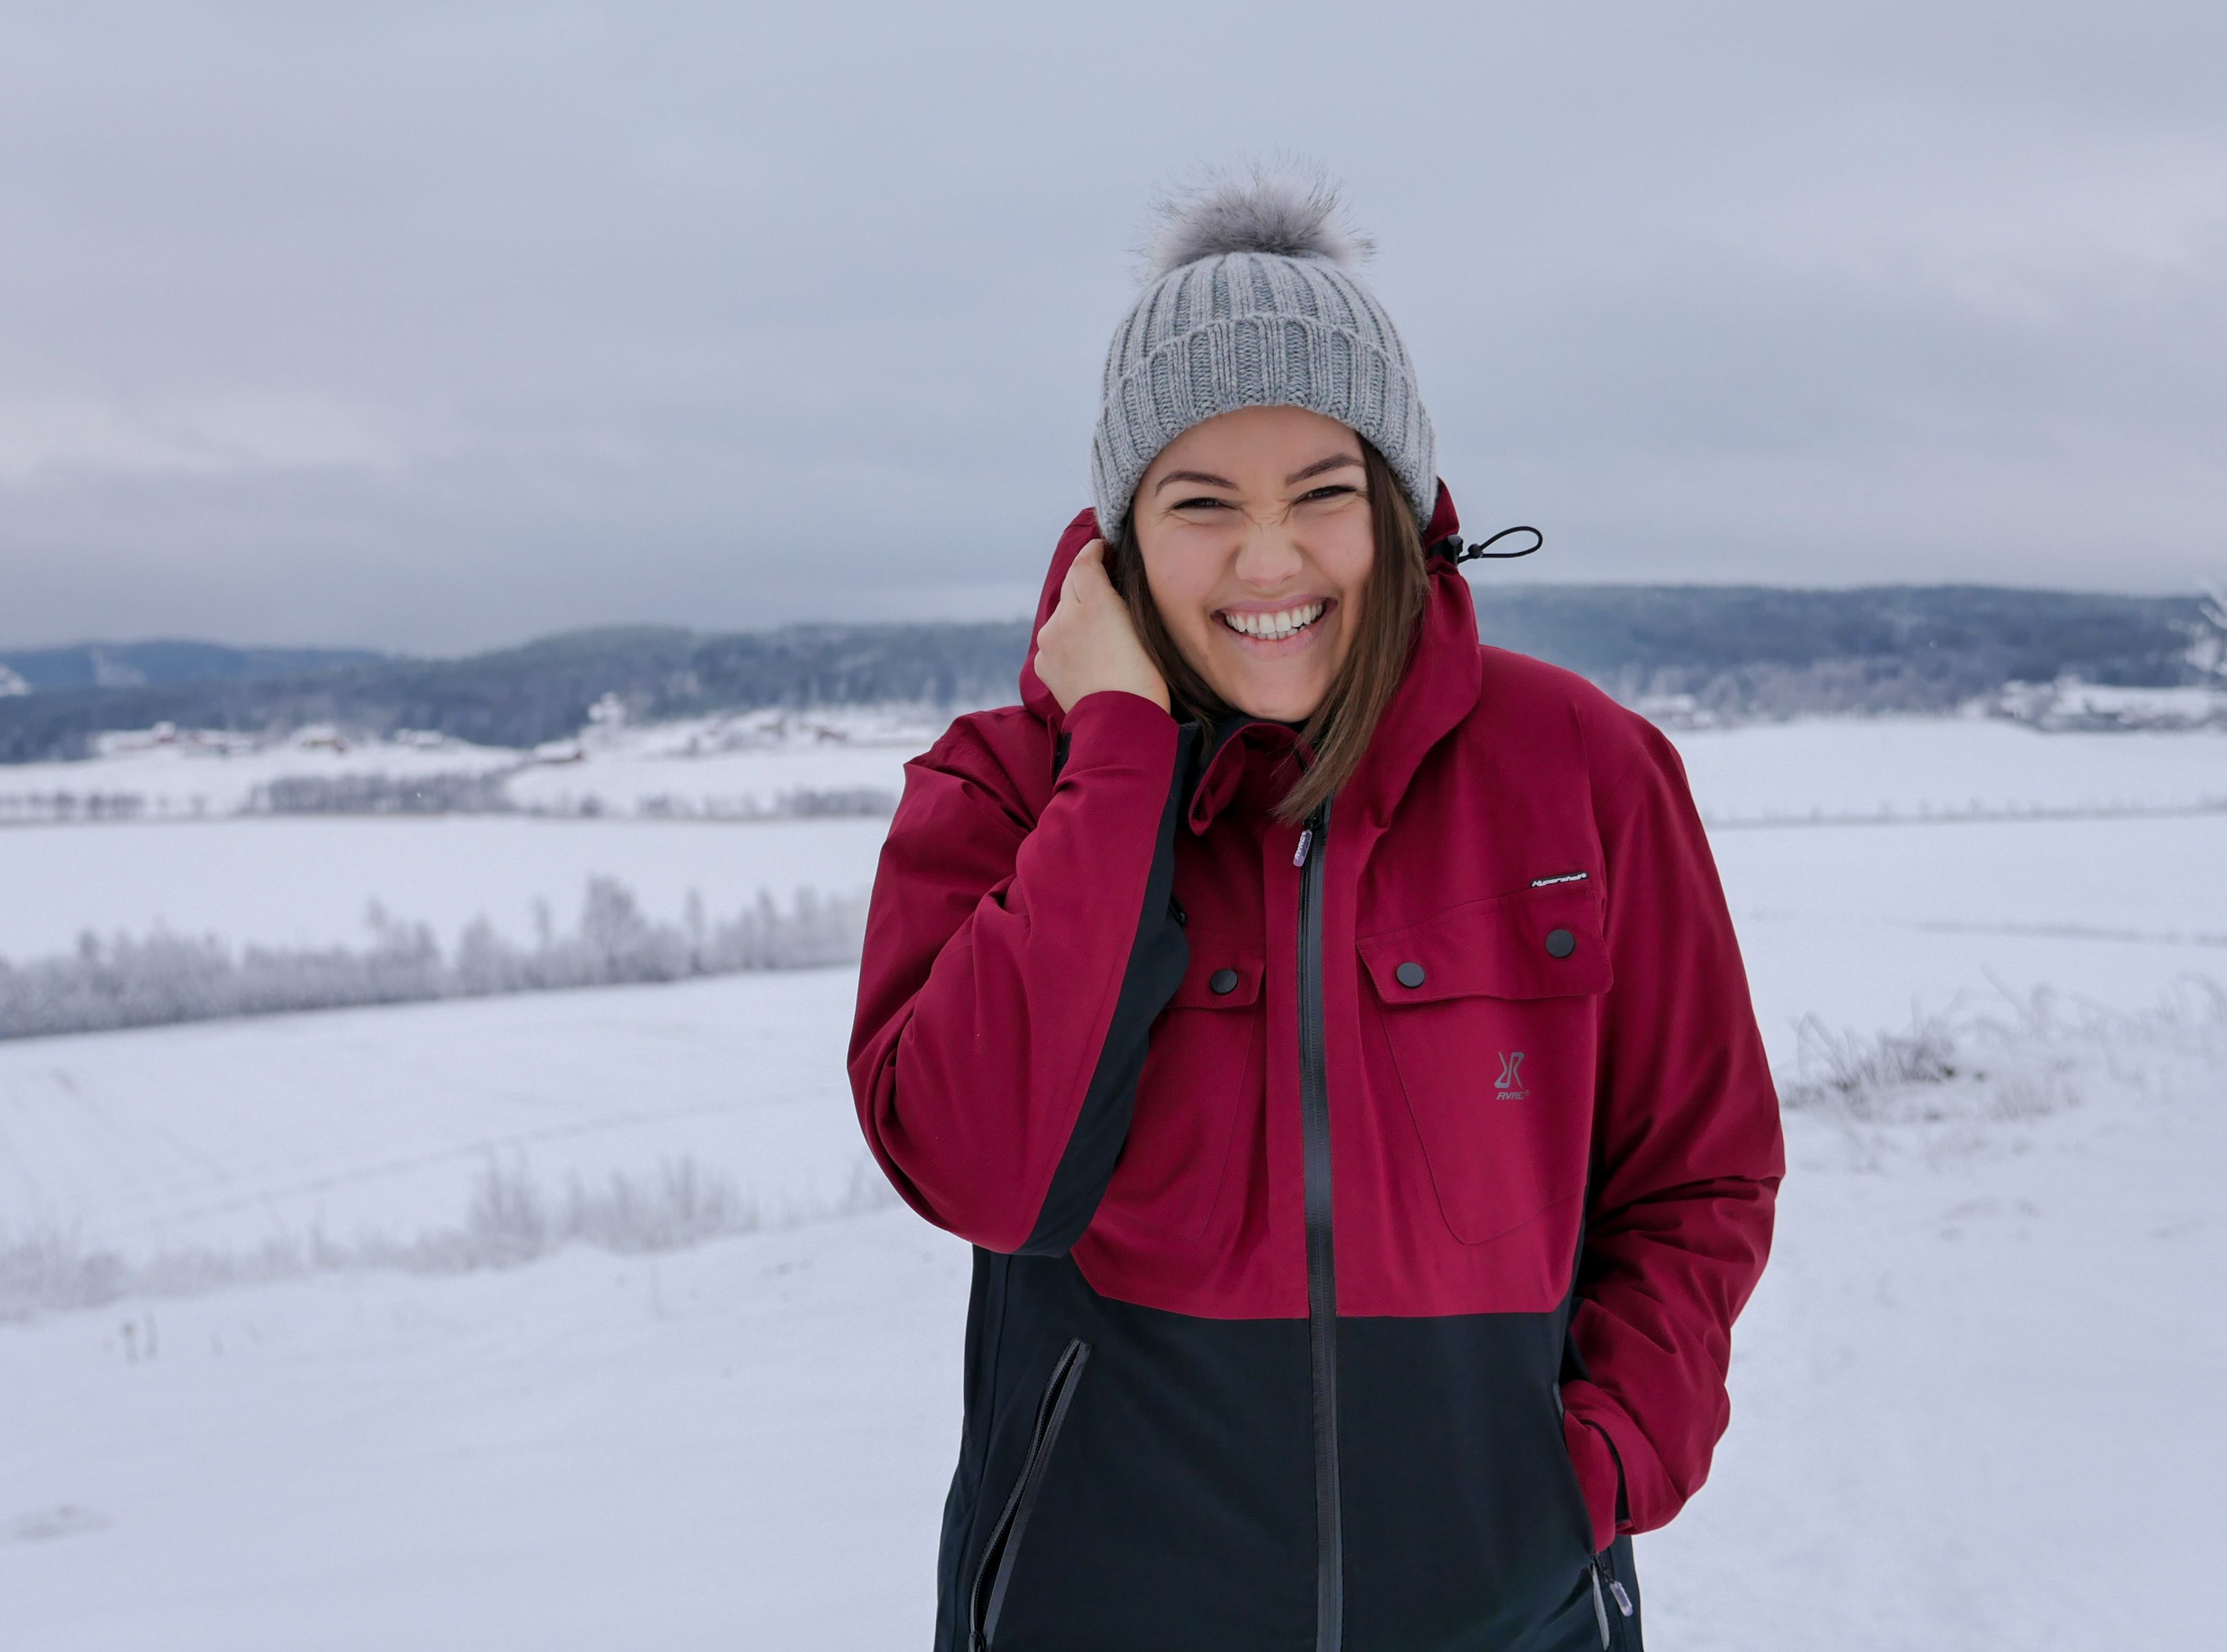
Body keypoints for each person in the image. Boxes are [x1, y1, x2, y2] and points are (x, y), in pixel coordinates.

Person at [848, 168, 1784, 1652]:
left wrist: (1600, 1463)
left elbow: (1698, 1169)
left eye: (1322, 494)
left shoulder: (1583, 770)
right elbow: (986, 1177)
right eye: (1201, 502)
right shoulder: (1004, 790)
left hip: (1508, 1616)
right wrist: (1117, 763)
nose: (1268, 558)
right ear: (1119, 539)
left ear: (1398, 510)